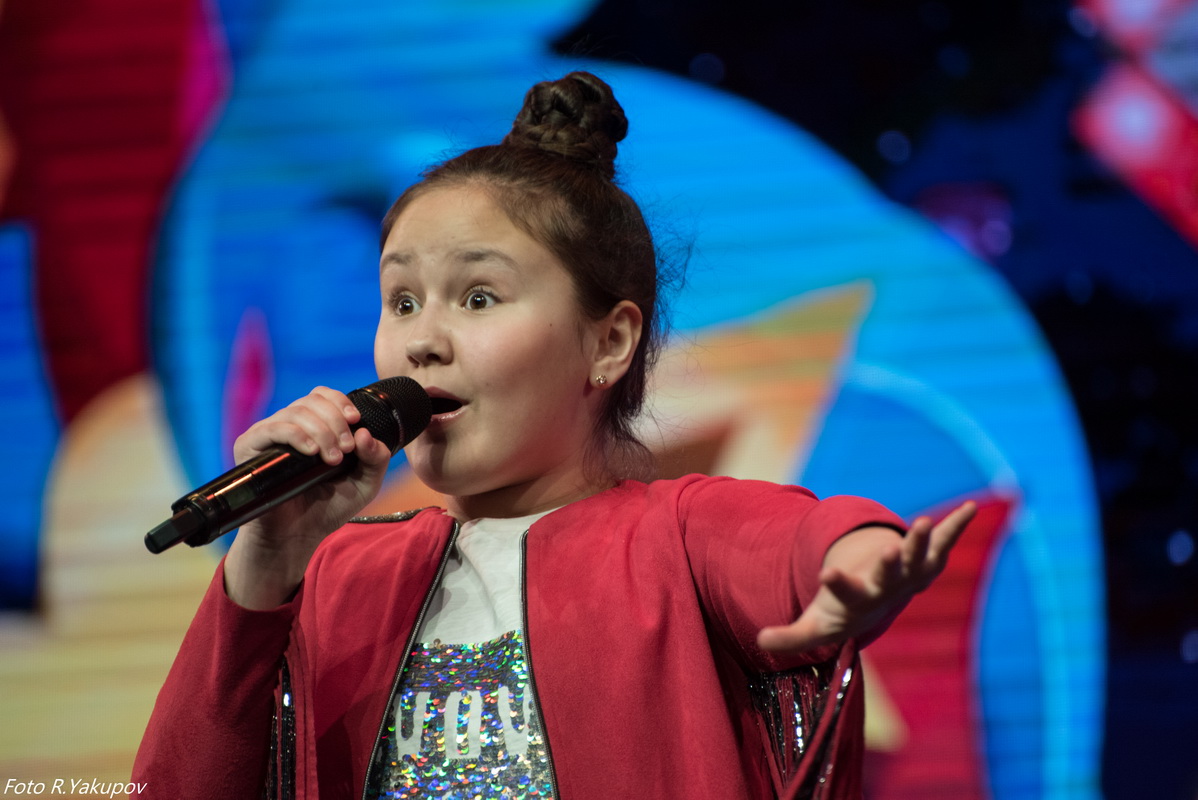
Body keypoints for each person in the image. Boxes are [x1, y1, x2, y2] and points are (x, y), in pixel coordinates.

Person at [132, 71, 975, 800]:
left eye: (478, 297)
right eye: (402, 301)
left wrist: (861, 560)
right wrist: (265, 565)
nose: (423, 341)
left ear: (608, 342)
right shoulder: (342, 575)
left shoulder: (677, 536)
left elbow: (799, 543)